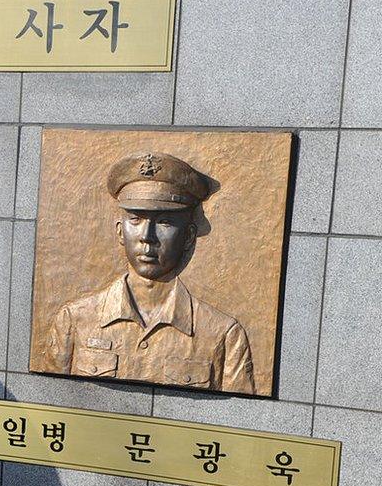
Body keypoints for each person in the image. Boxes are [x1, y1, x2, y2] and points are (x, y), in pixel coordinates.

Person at [43, 152, 255, 394]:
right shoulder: (75, 320)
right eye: (135, 219)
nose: (147, 236)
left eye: (164, 222)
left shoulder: (223, 334)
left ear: (188, 236)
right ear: (120, 232)